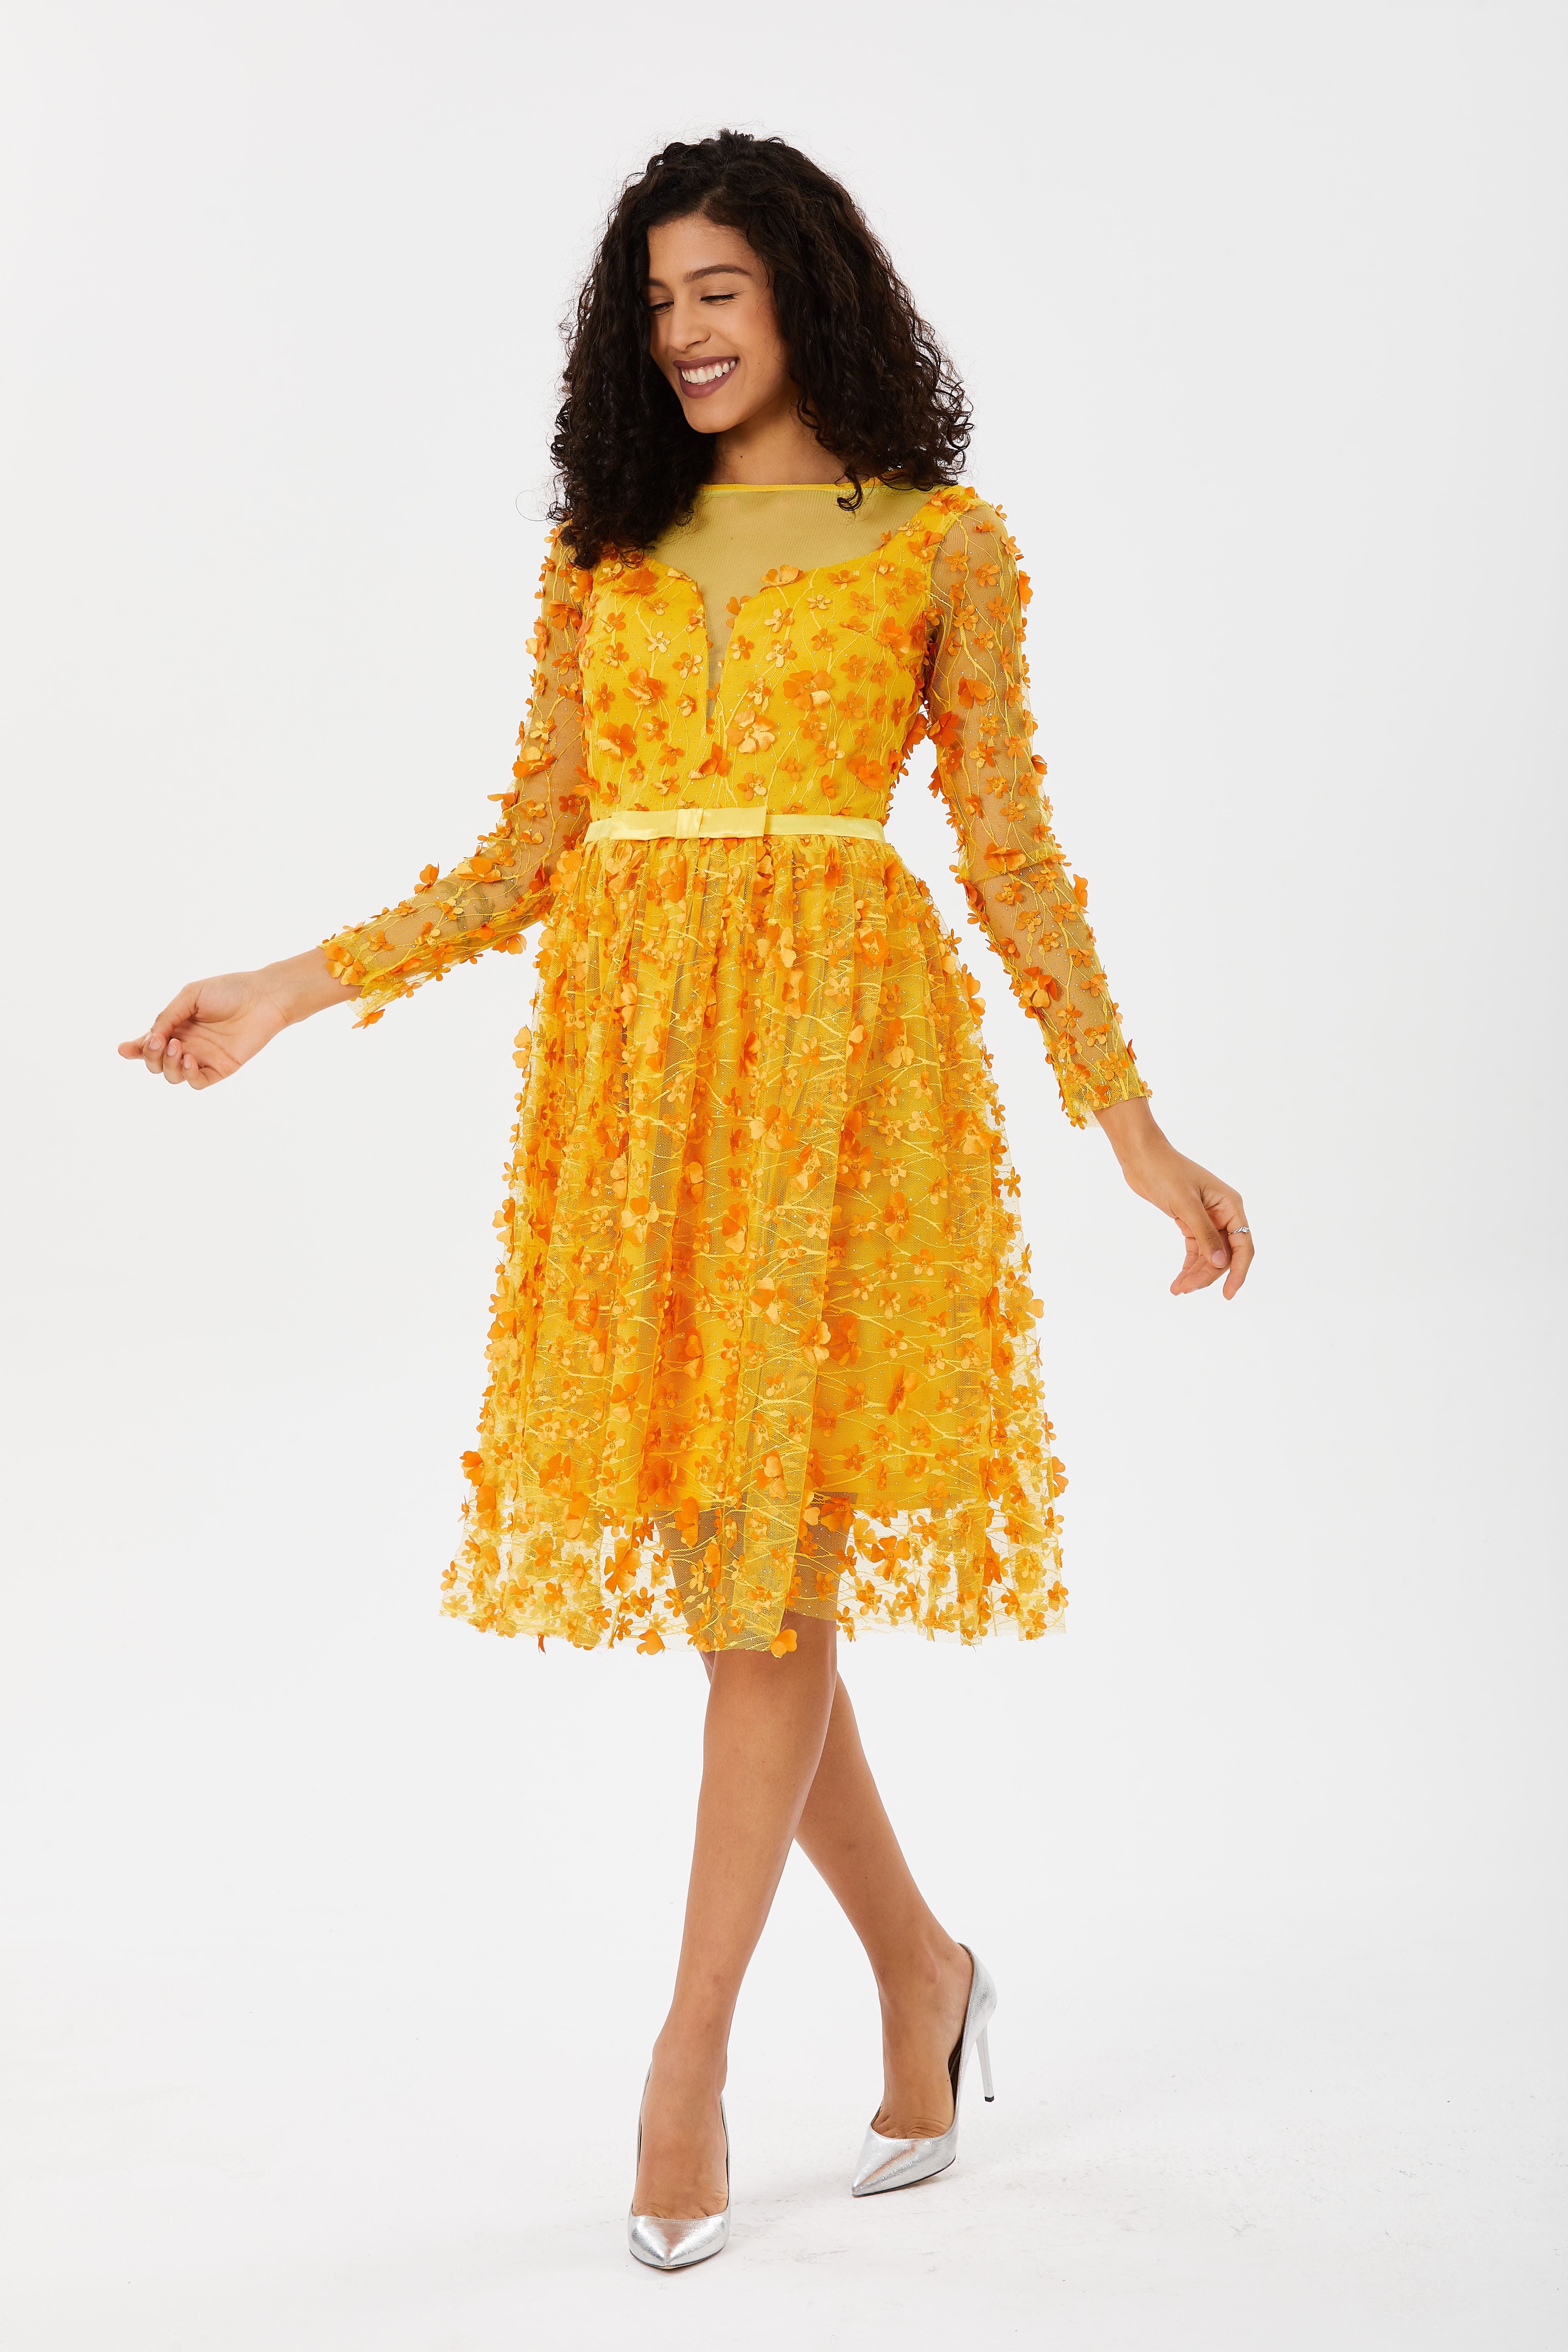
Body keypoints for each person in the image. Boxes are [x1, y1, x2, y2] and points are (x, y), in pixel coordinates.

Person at [119, 131, 1253, 2269]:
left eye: (717, 289)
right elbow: (531, 848)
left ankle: (688, 2060)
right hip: (641, 1105)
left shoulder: (940, 545)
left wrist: (1136, 1135)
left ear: (807, 288)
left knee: (760, 1593)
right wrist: (292, 984)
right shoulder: (607, 554)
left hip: (842, 1086)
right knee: (749, 1586)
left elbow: (1015, 861)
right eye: (655, 304)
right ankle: (925, 1972)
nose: (684, 333)